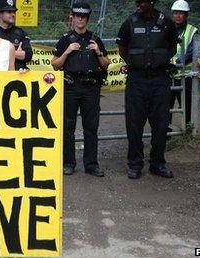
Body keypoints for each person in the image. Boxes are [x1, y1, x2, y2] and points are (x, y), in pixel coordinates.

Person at [116, 0, 178, 179]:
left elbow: (172, 48)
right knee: (134, 124)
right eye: (137, 2)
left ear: (152, 2)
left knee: (160, 124)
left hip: (160, 80)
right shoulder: (130, 22)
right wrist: (137, 63)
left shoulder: (166, 22)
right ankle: (135, 164)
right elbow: (122, 49)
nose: (138, 5)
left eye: (142, 2)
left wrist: (158, 61)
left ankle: (157, 163)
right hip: (137, 80)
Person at [51, 2, 110, 177]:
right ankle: (68, 163)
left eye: (83, 16)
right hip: (70, 87)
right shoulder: (65, 39)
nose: (80, 19)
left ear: (87, 19)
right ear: (73, 17)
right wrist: (67, 51)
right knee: (67, 127)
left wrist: (98, 52)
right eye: (77, 16)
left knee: (91, 127)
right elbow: (55, 65)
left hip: (91, 88)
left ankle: (91, 164)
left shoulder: (94, 39)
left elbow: (106, 64)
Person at [169, 0, 198, 129]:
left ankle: (187, 132)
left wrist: (177, 64)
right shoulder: (166, 29)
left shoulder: (193, 31)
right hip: (168, 75)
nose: (178, 15)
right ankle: (165, 132)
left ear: (186, 15)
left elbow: (192, 52)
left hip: (185, 76)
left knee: (187, 106)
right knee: (165, 107)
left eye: (181, 13)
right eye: (176, 13)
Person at [0, 0, 32, 70]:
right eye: (9, 12)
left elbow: (28, 56)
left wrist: (0, 51)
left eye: (14, 12)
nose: (13, 14)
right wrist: (16, 53)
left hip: (19, 73)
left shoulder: (21, 32)